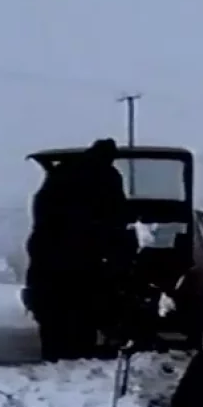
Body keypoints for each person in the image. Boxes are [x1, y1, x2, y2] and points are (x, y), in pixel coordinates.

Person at [25, 138, 129, 361]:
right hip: (85, 254)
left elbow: (41, 205)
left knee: (52, 310)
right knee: (84, 309)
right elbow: (116, 215)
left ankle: (53, 355)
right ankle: (79, 354)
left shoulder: (62, 171)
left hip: (49, 250)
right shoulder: (108, 177)